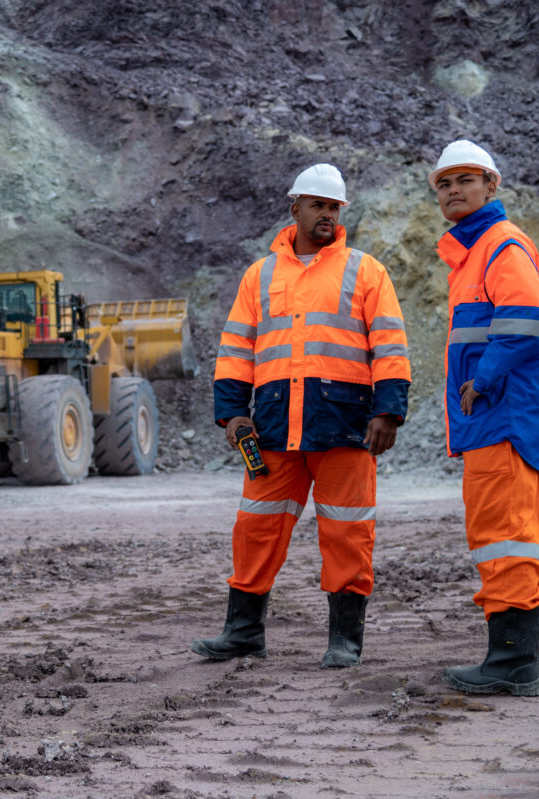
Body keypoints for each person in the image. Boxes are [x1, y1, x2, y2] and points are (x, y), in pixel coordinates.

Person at [191, 163, 411, 668]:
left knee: (347, 532)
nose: (327, 215)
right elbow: (236, 349)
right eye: (318, 205)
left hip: (347, 427)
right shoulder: (260, 274)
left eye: (334, 207)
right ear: (295, 209)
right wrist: (231, 415)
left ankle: (344, 641)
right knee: (255, 529)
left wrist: (389, 412)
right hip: (271, 428)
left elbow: (391, 347)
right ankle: (243, 633)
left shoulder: (365, 270)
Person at [428, 140, 539, 697]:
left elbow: (525, 319)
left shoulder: (498, 244)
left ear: (493, 186)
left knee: (501, 535)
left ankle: (512, 663)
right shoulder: (474, 253)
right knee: (534, 536)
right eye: (444, 183)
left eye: (466, 179)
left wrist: (482, 381)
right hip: (507, 413)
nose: (453, 190)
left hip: (499, 413)